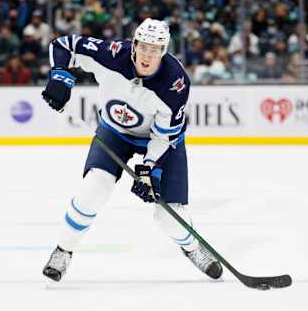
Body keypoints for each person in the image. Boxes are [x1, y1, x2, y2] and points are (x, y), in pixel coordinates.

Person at [41, 18, 223, 282]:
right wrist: (60, 74)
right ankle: (63, 250)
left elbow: (163, 136)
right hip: (114, 133)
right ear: (134, 44)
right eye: (144, 47)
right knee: (93, 189)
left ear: (164, 51)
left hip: (159, 141)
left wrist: (148, 167)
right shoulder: (111, 54)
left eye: (155, 49)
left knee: (168, 215)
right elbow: (63, 45)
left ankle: (193, 248)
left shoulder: (175, 83)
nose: (148, 55)